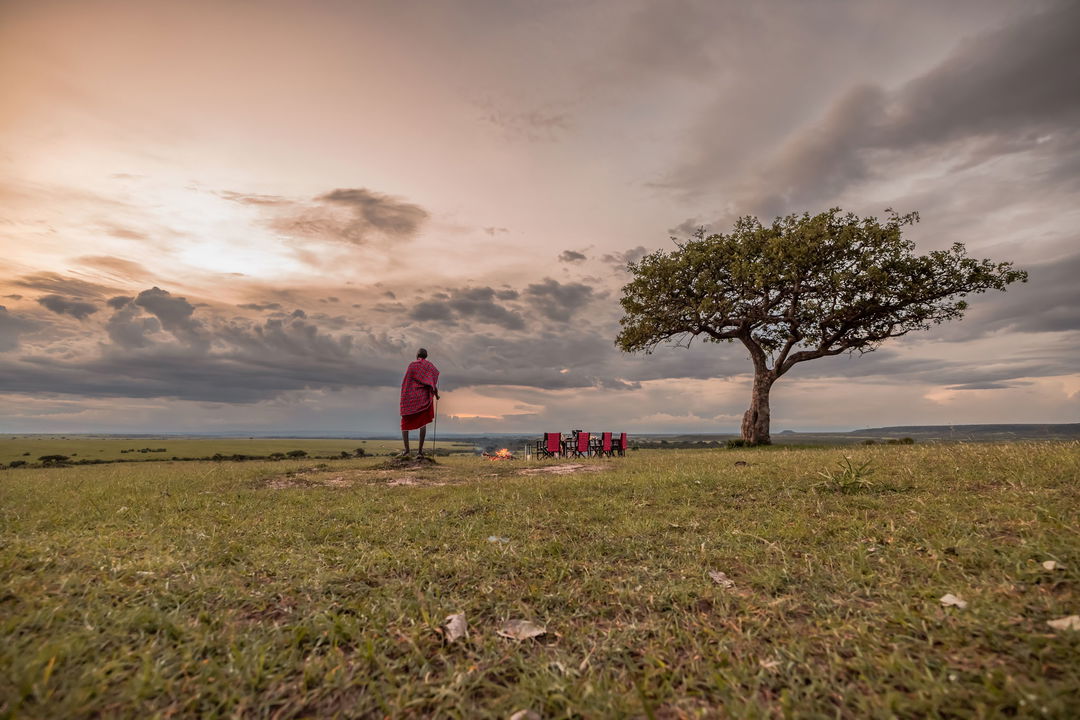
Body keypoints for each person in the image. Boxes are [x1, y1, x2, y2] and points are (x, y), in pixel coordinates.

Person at [399, 348, 440, 456]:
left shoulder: (412, 365)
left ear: (417, 355)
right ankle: (420, 452)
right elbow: (432, 382)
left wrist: (405, 395)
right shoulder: (429, 366)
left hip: (410, 398)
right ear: (426, 356)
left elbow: (406, 382)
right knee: (423, 423)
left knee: (405, 423)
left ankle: (407, 450)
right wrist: (436, 394)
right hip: (423, 398)